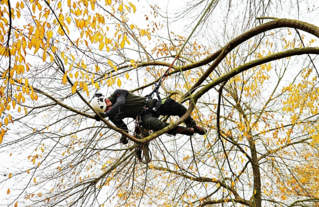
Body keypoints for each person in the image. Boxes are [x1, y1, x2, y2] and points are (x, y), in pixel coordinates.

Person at [91, 89, 206, 144]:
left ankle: (193, 125)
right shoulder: (112, 116)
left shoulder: (118, 94)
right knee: (157, 125)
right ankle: (183, 130)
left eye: (107, 108)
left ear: (106, 100)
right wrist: (124, 137)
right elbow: (123, 128)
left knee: (177, 107)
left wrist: (106, 114)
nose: (109, 111)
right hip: (143, 117)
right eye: (106, 111)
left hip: (151, 104)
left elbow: (120, 103)